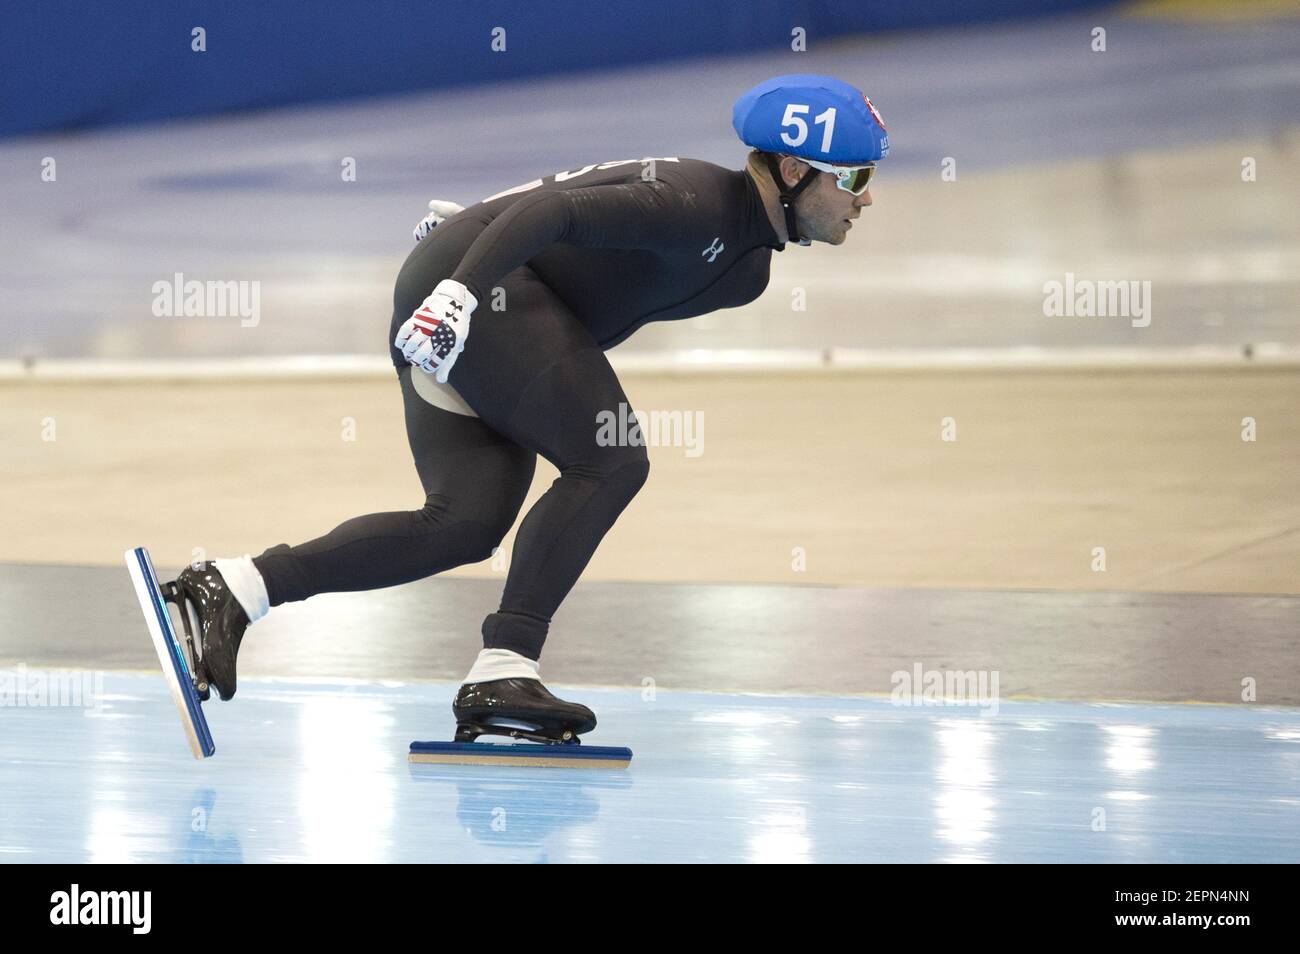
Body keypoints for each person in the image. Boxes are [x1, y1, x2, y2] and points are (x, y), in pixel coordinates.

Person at [162, 74, 888, 744]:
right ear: (794, 171)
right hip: (477, 293)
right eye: (855, 177)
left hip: (485, 292)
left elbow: (579, 263)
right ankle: (505, 662)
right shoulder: (697, 200)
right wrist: (460, 281)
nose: (867, 197)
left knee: (464, 523)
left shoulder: (748, 272)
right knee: (611, 457)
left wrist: (468, 238)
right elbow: (556, 209)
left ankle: (234, 586)